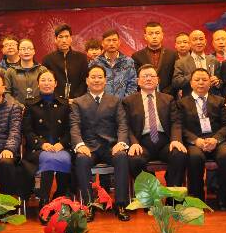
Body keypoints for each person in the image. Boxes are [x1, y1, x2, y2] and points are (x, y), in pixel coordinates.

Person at [70, 65, 130, 221]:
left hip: (111, 146)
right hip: (89, 147)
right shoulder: (78, 102)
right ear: (87, 80)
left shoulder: (115, 101)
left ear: (105, 80)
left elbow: (123, 124)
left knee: (122, 157)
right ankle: (89, 205)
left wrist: (121, 142)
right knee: (81, 159)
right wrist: (80, 145)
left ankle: (121, 204)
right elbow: (74, 126)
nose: (96, 80)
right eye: (93, 77)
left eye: (100, 77)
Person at [178, 68, 226, 209]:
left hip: (217, 140)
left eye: (204, 79)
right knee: (194, 157)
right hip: (195, 141)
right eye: (197, 80)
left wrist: (216, 139)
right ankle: (198, 198)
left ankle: (222, 198)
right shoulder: (182, 103)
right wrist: (195, 140)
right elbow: (180, 127)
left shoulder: (220, 101)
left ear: (210, 83)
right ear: (191, 83)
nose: (201, 83)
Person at [123, 65, 187, 187]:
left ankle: (173, 193)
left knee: (179, 154)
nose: (148, 79)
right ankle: (151, 190)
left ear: (157, 80)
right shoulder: (129, 101)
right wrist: (134, 143)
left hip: (165, 142)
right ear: (138, 81)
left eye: (152, 76)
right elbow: (126, 125)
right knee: (134, 159)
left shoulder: (168, 99)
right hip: (142, 142)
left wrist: (175, 140)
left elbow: (176, 122)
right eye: (145, 76)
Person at [22, 70, 72, 218]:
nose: (46, 83)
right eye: (43, 80)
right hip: (37, 149)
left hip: (60, 147)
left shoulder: (64, 104)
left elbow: (71, 129)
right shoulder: (31, 104)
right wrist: (42, 144)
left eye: (50, 80)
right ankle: (44, 202)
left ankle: (60, 198)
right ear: (38, 84)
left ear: (55, 83)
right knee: (48, 159)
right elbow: (27, 131)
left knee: (65, 158)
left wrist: (62, 143)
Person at [43, 24, 89, 100]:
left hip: (77, 100)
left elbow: (84, 81)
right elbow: (46, 82)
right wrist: (58, 99)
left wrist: (76, 98)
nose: (64, 40)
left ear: (71, 39)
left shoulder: (81, 58)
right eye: (60, 37)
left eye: (67, 36)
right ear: (55, 39)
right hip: (56, 101)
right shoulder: (48, 59)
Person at [132, 21, 178, 95]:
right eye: (150, 34)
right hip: (145, 95)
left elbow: (176, 78)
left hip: (169, 96)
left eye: (157, 33)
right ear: (145, 36)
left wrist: (166, 94)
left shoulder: (173, 55)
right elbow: (136, 79)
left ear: (162, 35)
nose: (154, 36)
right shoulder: (137, 56)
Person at [91, 29, 137, 99]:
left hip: (123, 104)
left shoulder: (128, 62)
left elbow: (132, 84)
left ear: (119, 42)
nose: (111, 43)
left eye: (114, 40)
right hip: (101, 104)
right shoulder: (95, 63)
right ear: (102, 43)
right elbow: (91, 85)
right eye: (108, 40)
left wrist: (125, 102)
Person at [172, 30, 220, 97]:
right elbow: (176, 83)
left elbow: (221, 82)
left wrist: (217, 82)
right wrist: (193, 75)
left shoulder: (214, 61)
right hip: (189, 100)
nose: (198, 42)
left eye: (201, 39)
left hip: (211, 99)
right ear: (189, 43)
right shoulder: (181, 62)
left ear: (205, 42)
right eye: (195, 39)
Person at [5, 38, 48, 104]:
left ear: (34, 51)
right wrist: (18, 106)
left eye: (29, 49)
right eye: (23, 49)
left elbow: (47, 90)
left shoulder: (42, 70)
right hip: (17, 108)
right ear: (18, 52)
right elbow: (6, 93)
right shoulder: (10, 71)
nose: (26, 51)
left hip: (39, 107)